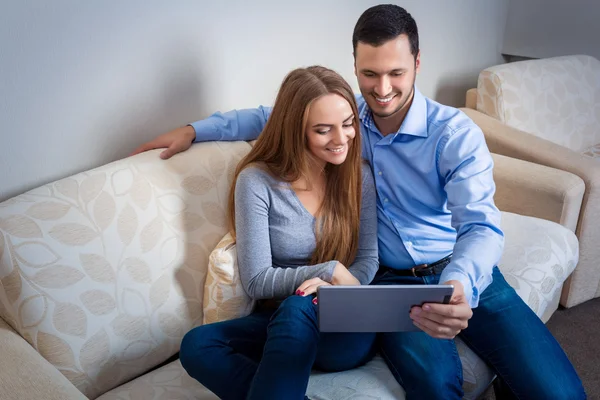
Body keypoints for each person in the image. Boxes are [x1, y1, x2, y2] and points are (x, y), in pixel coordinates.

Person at [136, 5, 586, 400]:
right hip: (390, 284)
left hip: (462, 268)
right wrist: (195, 130)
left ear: (417, 62)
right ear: (355, 66)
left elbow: (481, 227)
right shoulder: (346, 117)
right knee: (433, 383)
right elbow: (272, 117)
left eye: (397, 73)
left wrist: (460, 285)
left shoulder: (453, 134)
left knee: (560, 392)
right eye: (370, 74)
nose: (383, 88)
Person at [178, 66, 379, 400]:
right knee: (197, 344)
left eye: (348, 124)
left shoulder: (360, 176)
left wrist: (345, 284)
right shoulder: (256, 182)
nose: (341, 139)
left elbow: (368, 257)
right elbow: (257, 279)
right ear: (295, 129)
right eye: (323, 130)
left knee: (298, 306)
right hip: (283, 325)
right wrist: (326, 270)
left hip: (346, 325)